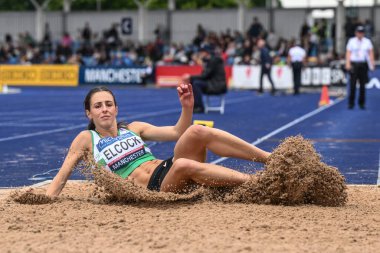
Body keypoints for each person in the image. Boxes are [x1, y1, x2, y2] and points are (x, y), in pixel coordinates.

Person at [46, 85, 270, 197]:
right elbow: (63, 174)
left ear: (116, 108)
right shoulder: (87, 138)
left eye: (108, 104)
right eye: (98, 106)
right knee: (183, 164)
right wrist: (48, 200)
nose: (104, 109)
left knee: (195, 131)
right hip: (155, 188)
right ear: (89, 114)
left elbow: (176, 132)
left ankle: (271, 160)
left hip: (168, 170)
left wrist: (187, 106)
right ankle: (257, 183)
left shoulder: (133, 128)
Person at [182, 45, 227, 113]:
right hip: (212, 83)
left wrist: (190, 76)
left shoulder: (213, 61)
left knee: (196, 83)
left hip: (217, 85)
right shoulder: (210, 61)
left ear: (206, 52)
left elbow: (205, 76)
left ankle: (199, 107)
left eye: (201, 52)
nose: (200, 54)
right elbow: (205, 75)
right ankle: (194, 105)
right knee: (193, 82)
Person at [345, 25, 375, 110]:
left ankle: (362, 103)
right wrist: (347, 63)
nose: (360, 34)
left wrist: (372, 64)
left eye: (361, 32)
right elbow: (348, 52)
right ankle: (351, 103)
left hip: (363, 64)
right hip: (354, 64)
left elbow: (370, 53)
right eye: (359, 32)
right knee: (352, 85)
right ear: (356, 33)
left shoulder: (367, 41)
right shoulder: (351, 41)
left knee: (362, 85)